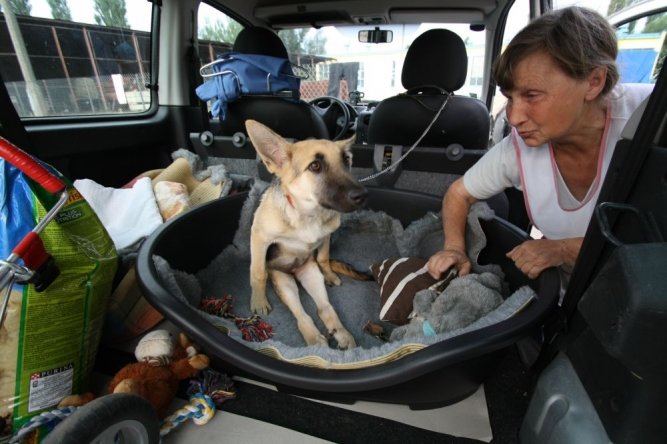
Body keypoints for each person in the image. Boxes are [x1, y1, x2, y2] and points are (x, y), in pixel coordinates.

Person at [427, 7, 654, 286]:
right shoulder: (518, 148)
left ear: (594, 82)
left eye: (531, 95)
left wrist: (562, 249)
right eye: (510, 98)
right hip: (570, 300)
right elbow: (458, 194)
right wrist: (454, 248)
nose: (514, 117)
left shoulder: (652, 120)